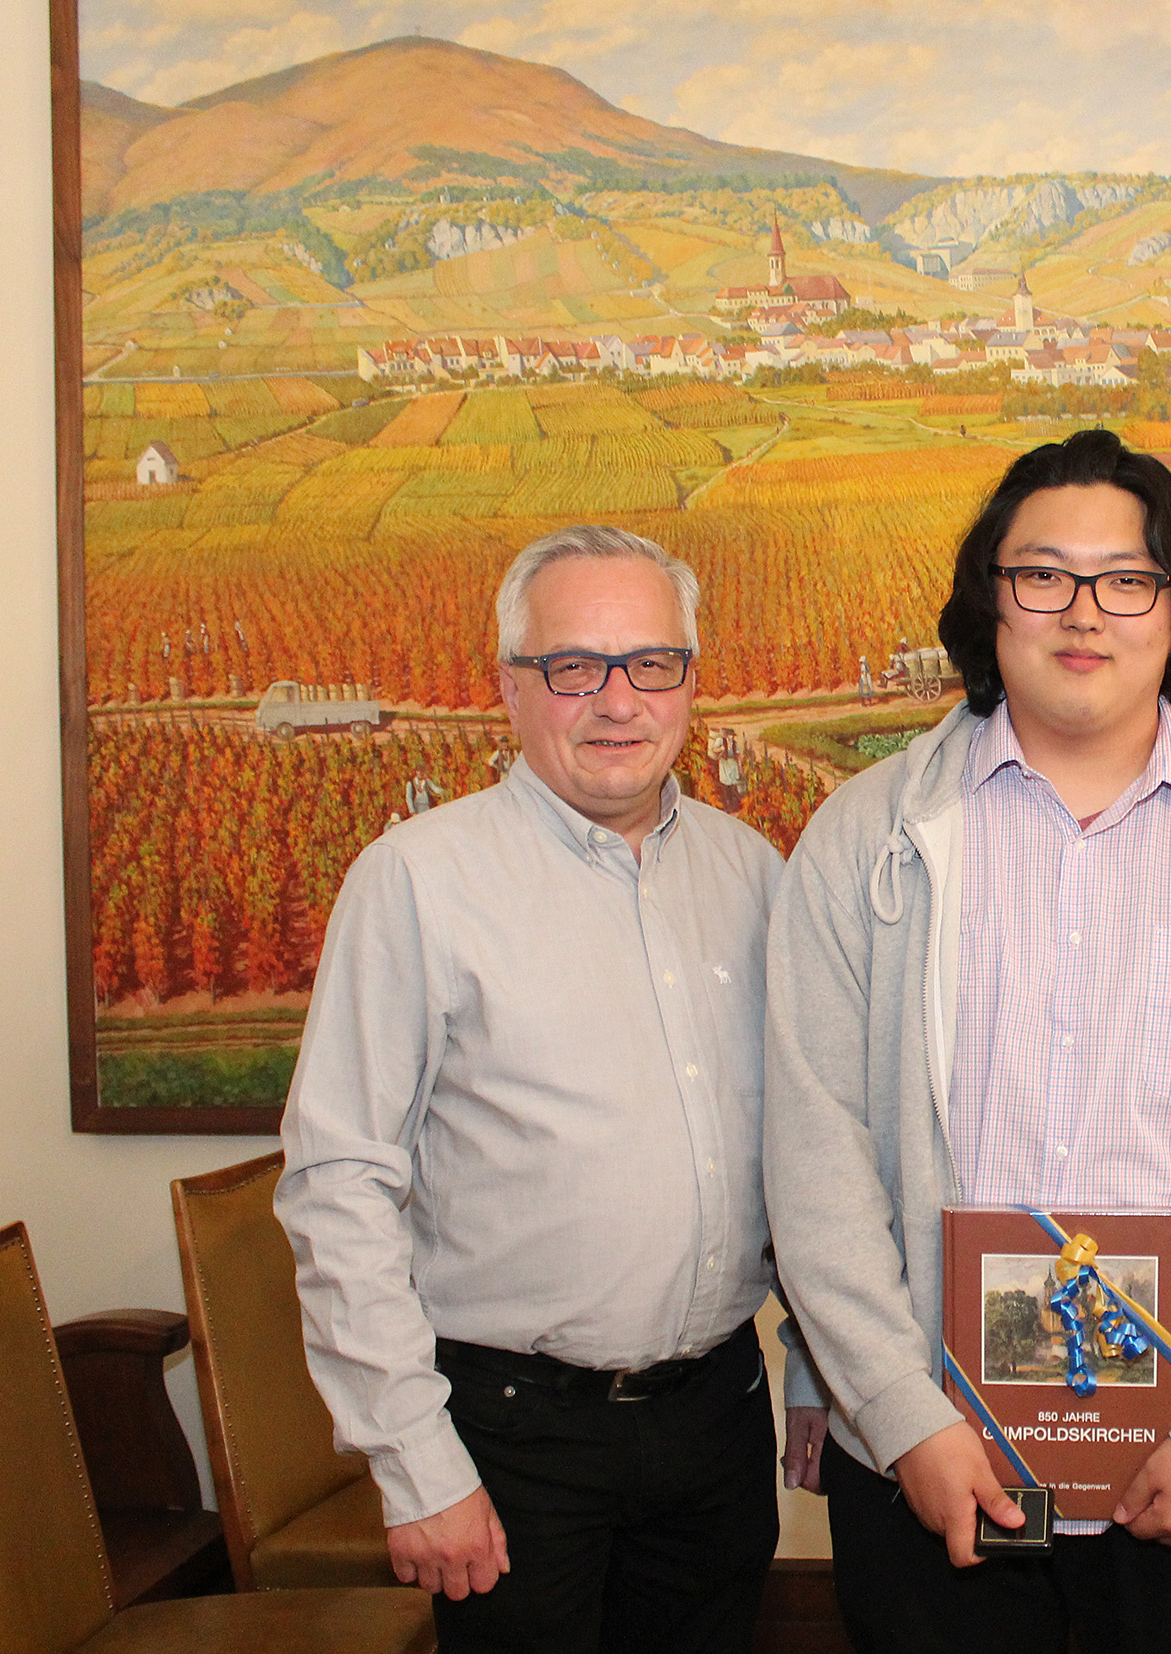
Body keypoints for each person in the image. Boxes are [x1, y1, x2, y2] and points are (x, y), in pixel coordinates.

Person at [764, 429, 1171, 1654]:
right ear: (988, 602)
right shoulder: (865, 839)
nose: (1082, 611)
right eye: (1041, 574)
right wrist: (897, 1410)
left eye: (1126, 579)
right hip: (936, 1469)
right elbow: (813, 1147)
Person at [276, 524, 826, 1654]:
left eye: (650, 663)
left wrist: (813, 1369)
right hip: (514, 1441)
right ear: (510, 689)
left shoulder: (752, 873)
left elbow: (804, 1149)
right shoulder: (417, 882)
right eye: (574, 666)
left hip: (717, 1424)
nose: (618, 701)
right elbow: (338, 1185)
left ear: (691, 681)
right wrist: (416, 1464)